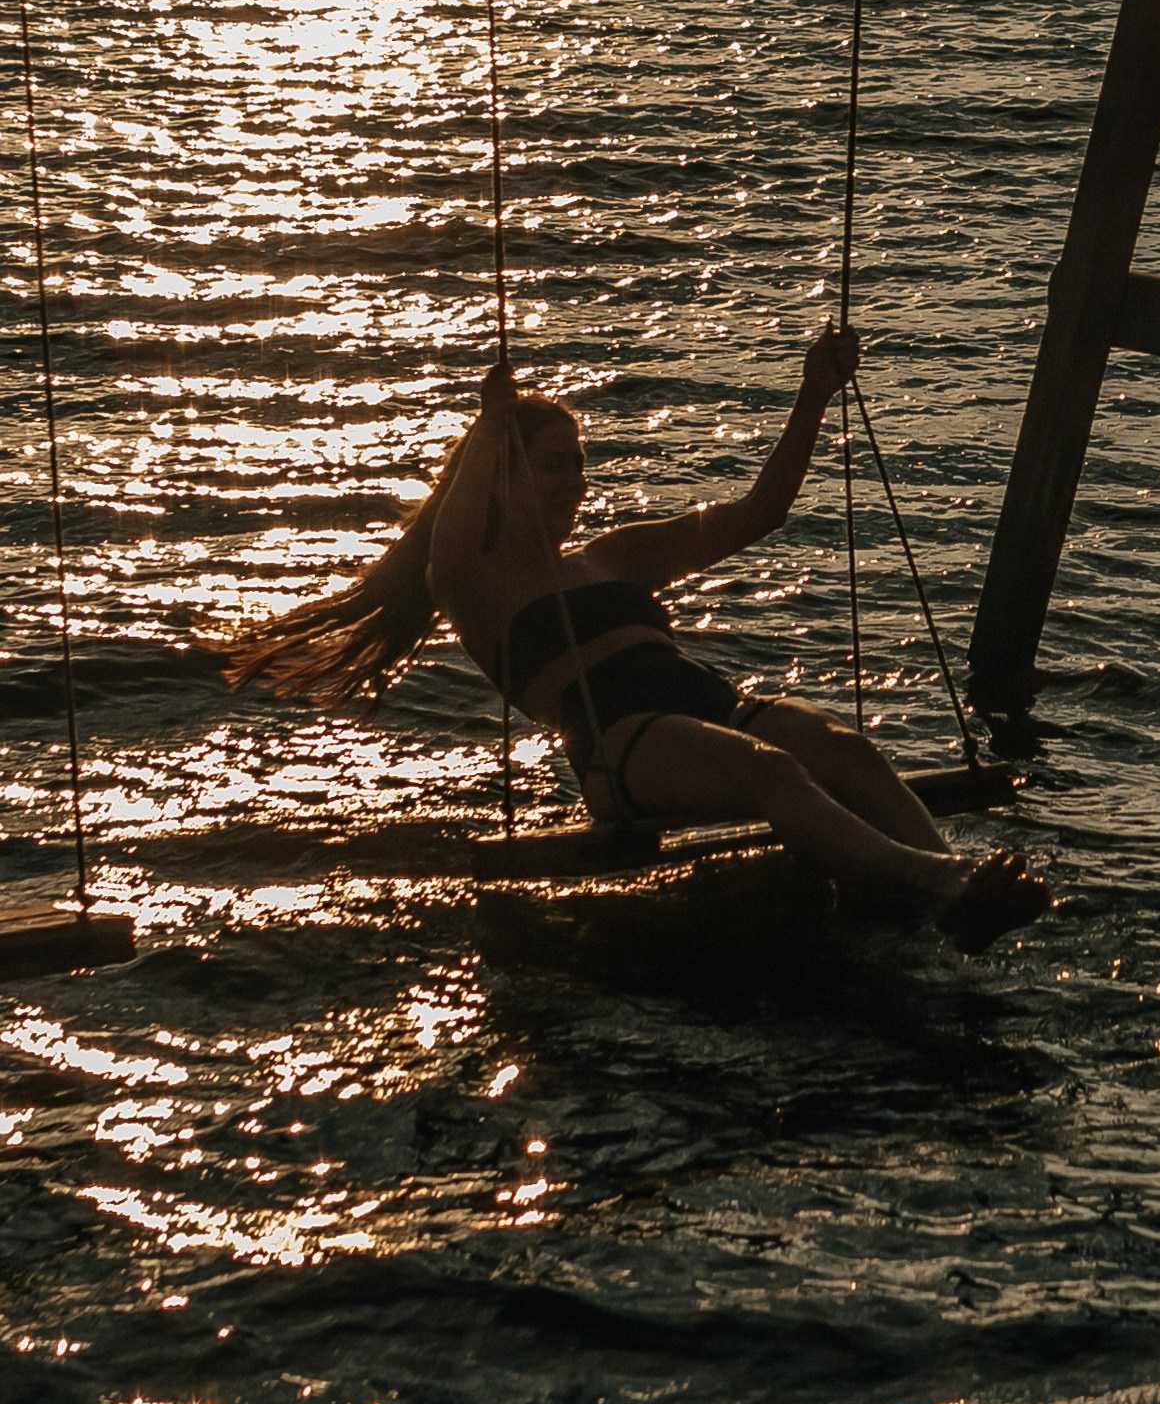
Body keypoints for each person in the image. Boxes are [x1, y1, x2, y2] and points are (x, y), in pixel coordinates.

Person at [222, 326, 1050, 952]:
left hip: (703, 701)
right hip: (621, 742)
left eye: (578, 465)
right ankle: (946, 882)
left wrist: (814, 395)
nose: (574, 481)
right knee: (775, 772)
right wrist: (493, 423)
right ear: (505, 473)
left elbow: (762, 512)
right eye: (552, 464)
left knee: (849, 752)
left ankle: (959, 902)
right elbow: (453, 534)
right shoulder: (474, 585)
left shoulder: (616, 556)